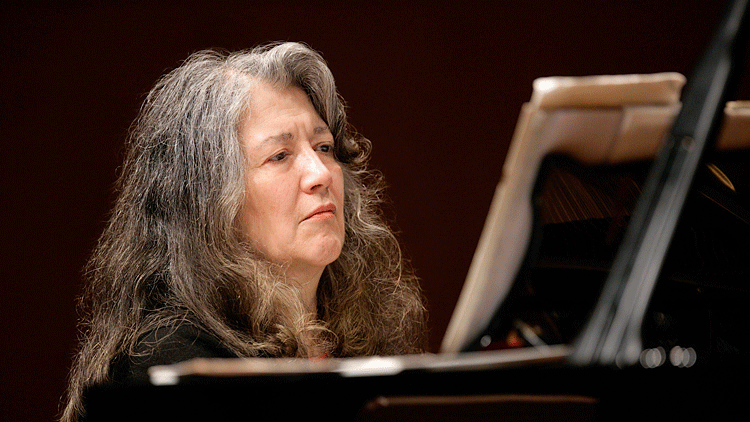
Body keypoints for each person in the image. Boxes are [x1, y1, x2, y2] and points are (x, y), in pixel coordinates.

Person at [61, 42, 427, 422]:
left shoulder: (371, 342)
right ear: (210, 200)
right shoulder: (169, 361)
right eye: (279, 156)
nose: (320, 173)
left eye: (324, 147)